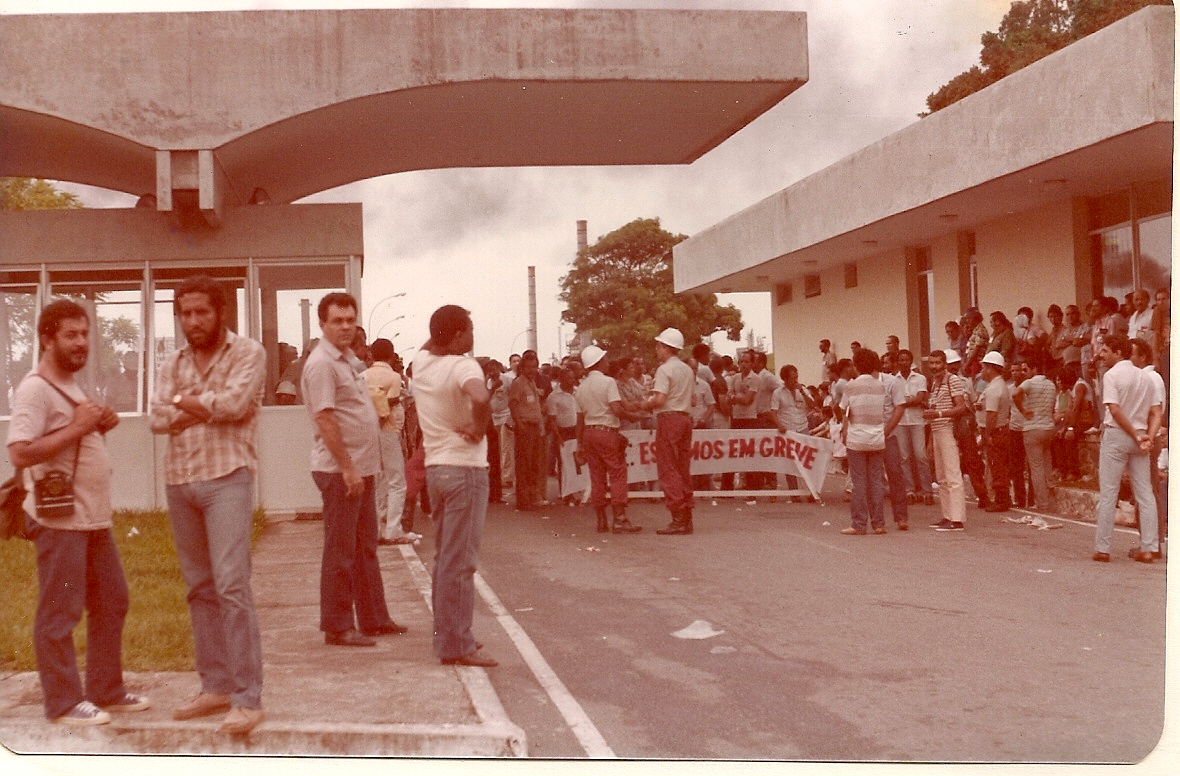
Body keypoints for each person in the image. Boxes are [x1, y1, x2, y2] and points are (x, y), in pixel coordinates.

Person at [6, 299, 149, 726]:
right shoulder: (35, 388)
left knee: (111, 599)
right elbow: (19, 450)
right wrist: (80, 427)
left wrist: (98, 422)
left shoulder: (70, 385)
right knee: (60, 609)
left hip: (90, 519)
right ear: (47, 339)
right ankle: (64, 703)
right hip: (60, 523)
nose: (80, 342)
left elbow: (74, 432)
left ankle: (106, 689)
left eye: (84, 334)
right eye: (70, 334)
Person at [150, 276, 266, 735]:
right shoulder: (172, 360)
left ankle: (247, 698)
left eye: (201, 312)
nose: (192, 321)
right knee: (199, 587)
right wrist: (200, 405)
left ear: (221, 312)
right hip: (180, 481)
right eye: (185, 313)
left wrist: (182, 401)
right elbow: (157, 417)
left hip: (227, 479)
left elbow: (237, 404)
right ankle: (214, 685)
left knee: (232, 584)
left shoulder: (247, 352)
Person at [302, 292, 405, 647]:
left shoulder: (348, 360)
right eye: (337, 321)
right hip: (340, 471)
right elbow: (325, 417)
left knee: (365, 548)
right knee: (341, 551)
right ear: (323, 324)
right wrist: (347, 469)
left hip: (361, 468)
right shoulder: (321, 364)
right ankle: (338, 625)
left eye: (350, 320)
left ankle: (375, 618)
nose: (345, 326)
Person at [411, 305, 498, 666]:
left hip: (437, 469)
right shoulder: (464, 366)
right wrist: (478, 428)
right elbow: (480, 397)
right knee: (461, 561)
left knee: (445, 557)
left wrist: (442, 329)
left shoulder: (421, 364)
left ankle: (449, 634)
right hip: (465, 469)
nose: (474, 336)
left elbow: (433, 341)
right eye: (470, 329)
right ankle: (456, 643)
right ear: (459, 334)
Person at [1092, 334, 1161, 563]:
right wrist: (1147, 437)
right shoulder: (1145, 377)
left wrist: (1134, 433)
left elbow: (1114, 409)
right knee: (1145, 492)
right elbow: (1154, 412)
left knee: (1109, 492)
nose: (1101, 355)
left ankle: (1103, 547)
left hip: (1118, 434)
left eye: (1105, 351)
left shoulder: (1112, 375)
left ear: (1117, 352)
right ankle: (1148, 547)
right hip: (1140, 435)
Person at [574, 346, 641, 533]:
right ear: (599, 362)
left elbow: (579, 419)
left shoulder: (581, 388)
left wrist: (579, 443)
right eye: (604, 359)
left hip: (589, 433)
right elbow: (617, 409)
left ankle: (601, 519)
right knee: (617, 473)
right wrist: (632, 416)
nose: (607, 362)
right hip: (607, 432)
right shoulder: (608, 382)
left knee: (597, 477)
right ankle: (619, 518)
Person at [641, 328, 697, 535]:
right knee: (682, 467)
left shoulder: (664, 370)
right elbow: (693, 399)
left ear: (666, 348)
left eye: (659, 346)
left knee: (668, 468)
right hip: (684, 418)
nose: (657, 350)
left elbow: (660, 400)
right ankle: (687, 515)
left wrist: (644, 404)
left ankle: (678, 517)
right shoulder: (687, 369)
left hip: (668, 418)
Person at [363, 338, 409, 544]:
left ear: (371, 354)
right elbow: (390, 402)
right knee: (397, 480)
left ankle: (376, 529)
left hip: (368, 430)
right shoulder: (394, 377)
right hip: (388, 429)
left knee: (377, 479)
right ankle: (393, 529)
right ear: (391, 355)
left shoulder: (362, 376)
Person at [840, 348, 887, 535]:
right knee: (876, 480)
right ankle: (879, 523)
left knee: (859, 482)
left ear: (857, 365)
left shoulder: (850, 387)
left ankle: (859, 524)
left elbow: (844, 410)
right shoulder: (880, 386)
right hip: (877, 438)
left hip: (857, 438)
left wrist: (844, 430)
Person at [923, 349, 967, 531]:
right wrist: (930, 441)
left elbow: (961, 407)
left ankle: (957, 519)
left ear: (945, 364)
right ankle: (947, 515)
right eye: (931, 363)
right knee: (941, 476)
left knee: (952, 474)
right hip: (937, 430)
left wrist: (939, 414)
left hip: (948, 429)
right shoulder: (934, 383)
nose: (934, 367)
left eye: (938, 363)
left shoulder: (952, 380)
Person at [1012, 358, 1057, 512]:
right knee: (1047, 464)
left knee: (1036, 467)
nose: (1023, 373)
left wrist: (1023, 410)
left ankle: (1042, 503)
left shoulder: (1030, 383)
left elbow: (1015, 393)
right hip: (1049, 427)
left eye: (1025, 369)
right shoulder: (1051, 385)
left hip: (1033, 428)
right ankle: (1051, 500)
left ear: (1034, 369)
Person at [508, 350, 546, 511]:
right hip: (525, 426)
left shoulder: (531, 383)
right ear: (522, 367)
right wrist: (520, 424)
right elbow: (513, 404)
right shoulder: (518, 383)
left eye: (535, 366)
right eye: (529, 367)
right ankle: (523, 500)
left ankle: (531, 497)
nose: (532, 370)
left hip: (535, 426)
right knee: (524, 464)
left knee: (533, 464)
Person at [895, 349, 933, 505]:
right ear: (898, 362)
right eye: (901, 360)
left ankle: (927, 490)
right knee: (904, 457)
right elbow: (894, 401)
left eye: (906, 360)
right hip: (900, 421)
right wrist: (910, 400)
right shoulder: (893, 380)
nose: (904, 362)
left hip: (917, 421)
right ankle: (909, 490)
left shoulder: (920, 378)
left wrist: (904, 402)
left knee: (920, 455)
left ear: (911, 362)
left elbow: (920, 398)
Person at [979, 351, 1013, 513]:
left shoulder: (994, 388)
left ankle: (1002, 500)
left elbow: (991, 414)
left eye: (984, 367)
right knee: (999, 465)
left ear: (991, 368)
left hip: (996, 432)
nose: (982, 371)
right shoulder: (999, 386)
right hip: (1001, 430)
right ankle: (1002, 497)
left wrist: (987, 435)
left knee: (997, 465)